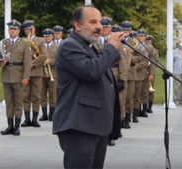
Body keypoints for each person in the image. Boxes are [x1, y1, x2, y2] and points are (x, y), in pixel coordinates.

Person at [53, 5, 123, 169]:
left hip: (96, 126)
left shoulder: (89, 46)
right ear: (78, 25)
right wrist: (111, 47)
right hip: (80, 126)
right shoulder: (69, 46)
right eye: (93, 22)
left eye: (100, 21)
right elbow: (91, 71)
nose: (99, 26)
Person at [97, 17, 130, 146]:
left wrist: (122, 78)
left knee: (114, 105)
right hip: (99, 76)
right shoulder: (95, 41)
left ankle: (112, 133)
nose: (104, 29)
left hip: (114, 75)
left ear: (111, 27)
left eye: (107, 26)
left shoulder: (118, 42)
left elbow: (124, 62)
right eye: (103, 26)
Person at [0, 19, 31, 136]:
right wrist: (1, 63)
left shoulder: (24, 43)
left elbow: (27, 61)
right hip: (6, 75)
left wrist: (26, 76)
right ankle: (9, 125)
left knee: (18, 102)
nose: (13, 31)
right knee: (9, 102)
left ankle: (17, 126)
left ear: (18, 30)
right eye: (11, 29)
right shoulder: (3, 43)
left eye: (15, 29)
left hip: (19, 75)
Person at [22, 20, 47, 127]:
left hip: (36, 71)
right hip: (25, 72)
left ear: (34, 29)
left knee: (36, 96)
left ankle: (35, 119)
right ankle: (27, 119)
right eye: (26, 29)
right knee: (25, 96)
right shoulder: (22, 41)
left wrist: (33, 63)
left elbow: (44, 55)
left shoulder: (40, 40)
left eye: (30, 29)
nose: (28, 31)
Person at [41, 28, 58, 121]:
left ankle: (52, 114)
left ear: (52, 36)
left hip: (53, 73)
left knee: (53, 94)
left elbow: (60, 59)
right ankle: (44, 114)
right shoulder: (41, 46)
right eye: (45, 36)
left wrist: (51, 61)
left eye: (48, 36)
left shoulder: (57, 46)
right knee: (42, 94)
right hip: (42, 73)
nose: (47, 37)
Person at [145, 34, 159, 112]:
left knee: (150, 90)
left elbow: (155, 62)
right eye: (146, 41)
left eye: (149, 41)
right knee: (143, 90)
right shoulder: (142, 49)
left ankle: (150, 106)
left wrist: (152, 72)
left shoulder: (154, 51)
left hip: (151, 71)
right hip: (143, 71)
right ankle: (143, 105)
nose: (147, 43)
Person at [173, 40, 182, 105]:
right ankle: (177, 99)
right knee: (177, 85)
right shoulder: (174, 52)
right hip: (177, 70)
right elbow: (172, 61)